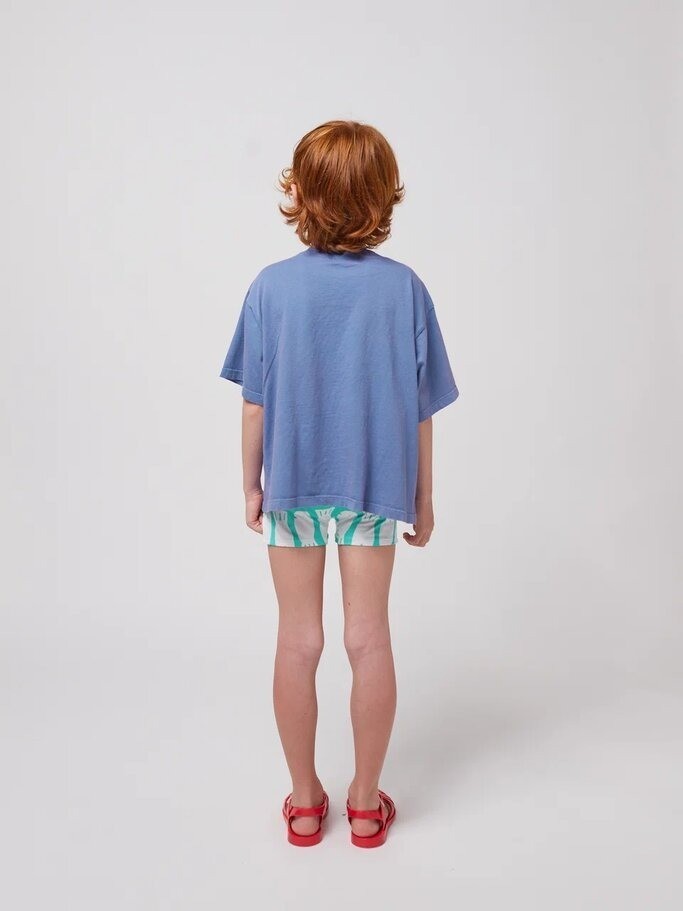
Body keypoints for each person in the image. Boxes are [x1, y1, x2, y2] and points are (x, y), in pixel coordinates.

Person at [219, 120, 459, 848]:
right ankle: (362, 804)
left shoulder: (270, 288)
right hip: (372, 483)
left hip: (293, 482)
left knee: (297, 641)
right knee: (368, 639)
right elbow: (419, 409)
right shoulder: (404, 289)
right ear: (383, 196)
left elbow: (255, 404)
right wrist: (422, 498)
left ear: (300, 192)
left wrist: (252, 485)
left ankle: (303, 802)